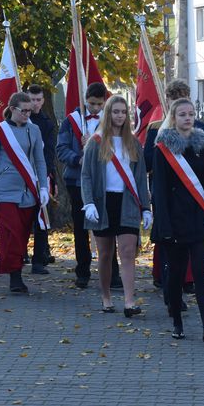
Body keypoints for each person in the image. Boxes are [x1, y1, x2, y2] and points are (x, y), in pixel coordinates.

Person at [151, 98, 204, 341]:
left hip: (200, 219)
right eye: (182, 114)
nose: (188, 118)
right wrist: (163, 225)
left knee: (201, 272)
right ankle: (177, 321)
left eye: (191, 114)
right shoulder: (162, 148)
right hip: (174, 221)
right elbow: (159, 191)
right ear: (173, 118)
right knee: (175, 274)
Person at [81, 95, 151, 317]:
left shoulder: (134, 143)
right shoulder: (96, 142)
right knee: (105, 254)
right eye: (116, 111)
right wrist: (89, 202)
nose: (120, 116)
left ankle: (130, 301)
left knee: (128, 252)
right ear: (108, 113)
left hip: (127, 202)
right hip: (103, 203)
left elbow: (140, 178)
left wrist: (146, 207)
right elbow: (86, 176)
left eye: (123, 112)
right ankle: (106, 297)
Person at [144, 79, 204, 298]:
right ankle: (163, 274)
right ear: (168, 101)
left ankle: (188, 278)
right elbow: (147, 162)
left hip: (192, 190)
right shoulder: (155, 128)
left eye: (184, 97)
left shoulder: (200, 128)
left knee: (191, 235)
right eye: (175, 98)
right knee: (165, 234)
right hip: (165, 191)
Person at [56, 82, 122, 289]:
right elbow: (61, 149)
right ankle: (82, 271)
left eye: (99, 105)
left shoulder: (110, 121)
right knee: (80, 226)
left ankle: (113, 274)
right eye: (92, 104)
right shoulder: (71, 121)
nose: (95, 108)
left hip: (104, 181)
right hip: (77, 180)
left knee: (107, 227)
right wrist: (78, 158)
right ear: (85, 99)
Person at [0, 92, 49, 293]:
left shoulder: (34, 130)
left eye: (30, 110)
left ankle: (17, 269)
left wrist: (44, 186)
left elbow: (39, 160)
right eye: (24, 111)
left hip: (28, 191)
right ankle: (15, 276)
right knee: (11, 234)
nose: (28, 114)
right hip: (4, 191)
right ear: (12, 109)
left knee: (22, 234)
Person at [25, 84, 57, 274]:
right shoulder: (22, 120)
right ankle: (20, 254)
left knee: (42, 218)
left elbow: (50, 151)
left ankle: (39, 258)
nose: (35, 103)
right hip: (22, 173)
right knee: (23, 217)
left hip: (41, 174)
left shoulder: (47, 123)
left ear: (43, 101)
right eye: (32, 100)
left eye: (38, 100)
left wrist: (49, 176)